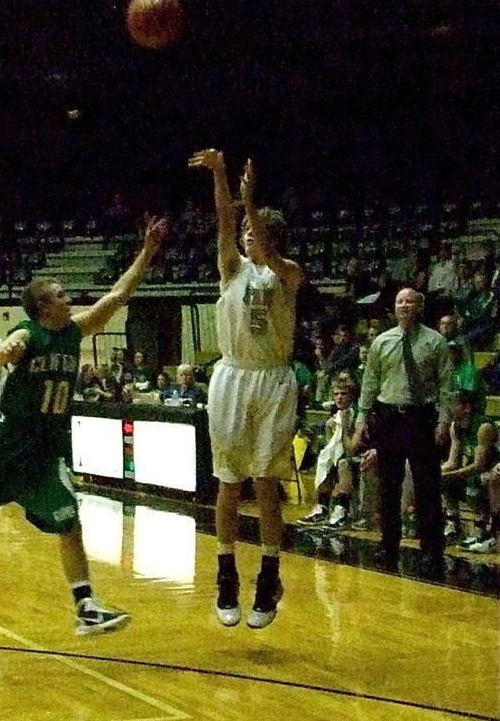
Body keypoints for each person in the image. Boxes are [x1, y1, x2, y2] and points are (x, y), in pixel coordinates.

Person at [0, 216, 168, 635]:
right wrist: (7, 352)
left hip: (45, 450)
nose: (69, 300)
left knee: (69, 520)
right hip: (7, 442)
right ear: (43, 307)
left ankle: (86, 606)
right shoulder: (28, 333)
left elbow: (119, 296)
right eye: (61, 295)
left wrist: (148, 252)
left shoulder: (74, 331)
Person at [188, 149, 303, 630]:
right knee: (228, 481)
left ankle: (270, 573)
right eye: (245, 232)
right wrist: (221, 178)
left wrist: (250, 200)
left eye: (254, 231)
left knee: (266, 481)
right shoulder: (232, 271)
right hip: (232, 377)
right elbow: (222, 219)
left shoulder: (287, 273)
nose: (245, 235)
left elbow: (272, 257)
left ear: (271, 239)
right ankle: (227, 573)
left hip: (273, 379)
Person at [350, 288, 454, 576]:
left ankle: (431, 550)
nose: (405, 305)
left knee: (427, 488)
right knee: (388, 486)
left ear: (420, 307)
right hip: (388, 418)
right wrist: (361, 419)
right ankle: (389, 544)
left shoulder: (436, 342)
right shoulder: (381, 343)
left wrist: (444, 421)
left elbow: (446, 386)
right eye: (400, 301)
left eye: (410, 301)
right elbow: (370, 383)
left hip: (422, 417)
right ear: (394, 308)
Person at [297, 375, 359, 528]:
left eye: (343, 394)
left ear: (351, 396)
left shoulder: (356, 415)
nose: (339, 398)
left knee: (344, 463)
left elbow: (351, 449)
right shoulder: (336, 415)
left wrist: (343, 427)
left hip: (361, 454)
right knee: (324, 459)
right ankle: (322, 508)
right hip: (339, 454)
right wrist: (328, 429)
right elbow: (329, 445)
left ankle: (341, 510)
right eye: (336, 394)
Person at [440, 389, 500, 546]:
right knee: (444, 479)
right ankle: (452, 522)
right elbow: (452, 461)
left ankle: (482, 529)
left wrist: (454, 474)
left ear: (467, 407)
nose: (449, 407)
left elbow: (479, 466)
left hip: (489, 471)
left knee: (475, 481)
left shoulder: (483, 427)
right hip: (473, 471)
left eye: (453, 404)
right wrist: (440, 472)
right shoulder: (455, 427)